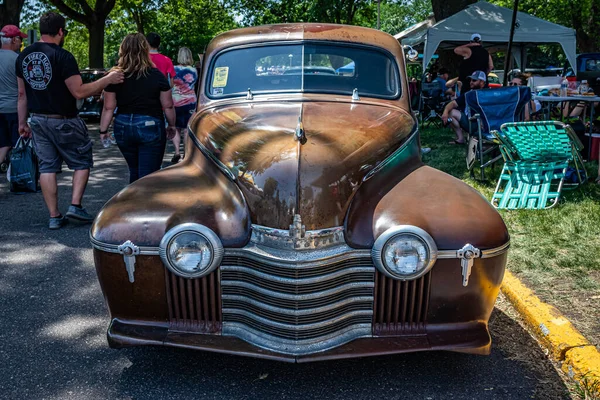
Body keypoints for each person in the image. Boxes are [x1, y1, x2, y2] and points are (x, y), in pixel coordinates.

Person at [16, 12, 124, 229]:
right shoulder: (63, 56)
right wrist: (107, 79)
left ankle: (54, 216)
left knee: (47, 167)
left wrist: (22, 123)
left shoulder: (23, 56)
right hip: (64, 119)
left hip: (37, 120)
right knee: (82, 161)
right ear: (61, 32)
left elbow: (21, 95)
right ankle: (75, 205)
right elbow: (79, 92)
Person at [99, 33, 176, 184]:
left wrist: (103, 131)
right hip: (150, 124)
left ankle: (133, 203)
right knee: (148, 176)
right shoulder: (156, 75)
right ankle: (144, 206)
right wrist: (172, 125)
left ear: (123, 50)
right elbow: (168, 105)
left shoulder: (115, 76)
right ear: (144, 49)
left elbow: (108, 107)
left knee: (134, 171)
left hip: (122, 125)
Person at [0, 25, 27, 168]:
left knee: (3, 143)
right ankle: (20, 177)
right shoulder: (18, 60)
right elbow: (22, 92)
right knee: (18, 144)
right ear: (14, 40)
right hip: (13, 109)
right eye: (20, 39)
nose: (21, 43)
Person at [441, 70, 487, 144]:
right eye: (470, 80)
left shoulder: (489, 94)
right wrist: (445, 112)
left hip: (485, 124)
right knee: (451, 111)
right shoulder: (468, 94)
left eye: (474, 80)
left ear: (482, 82)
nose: (471, 82)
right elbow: (452, 103)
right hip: (472, 123)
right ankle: (460, 138)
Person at [171, 47, 198, 163]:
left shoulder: (173, 69)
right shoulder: (194, 70)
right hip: (190, 102)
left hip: (175, 101)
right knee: (187, 129)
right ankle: (186, 154)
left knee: (176, 128)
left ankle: (177, 152)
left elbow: (170, 84)